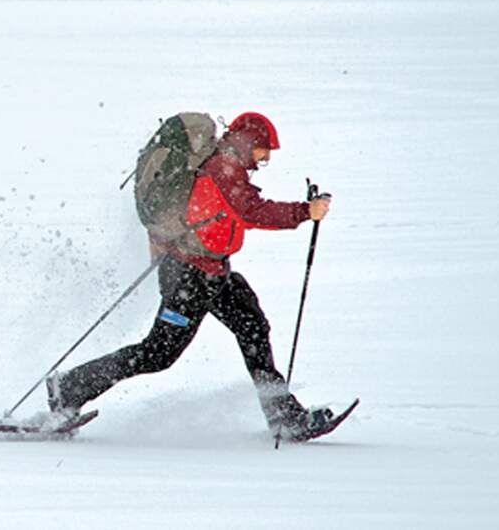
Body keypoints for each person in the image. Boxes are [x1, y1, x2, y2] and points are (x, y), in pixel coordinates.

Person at [46, 112, 332, 438]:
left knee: (252, 328)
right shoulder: (222, 168)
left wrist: (303, 211)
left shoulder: (229, 168)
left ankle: (284, 416)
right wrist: (304, 212)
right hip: (187, 276)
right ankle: (68, 389)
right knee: (158, 353)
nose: (265, 158)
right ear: (249, 142)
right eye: (263, 150)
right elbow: (252, 211)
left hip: (213, 272)